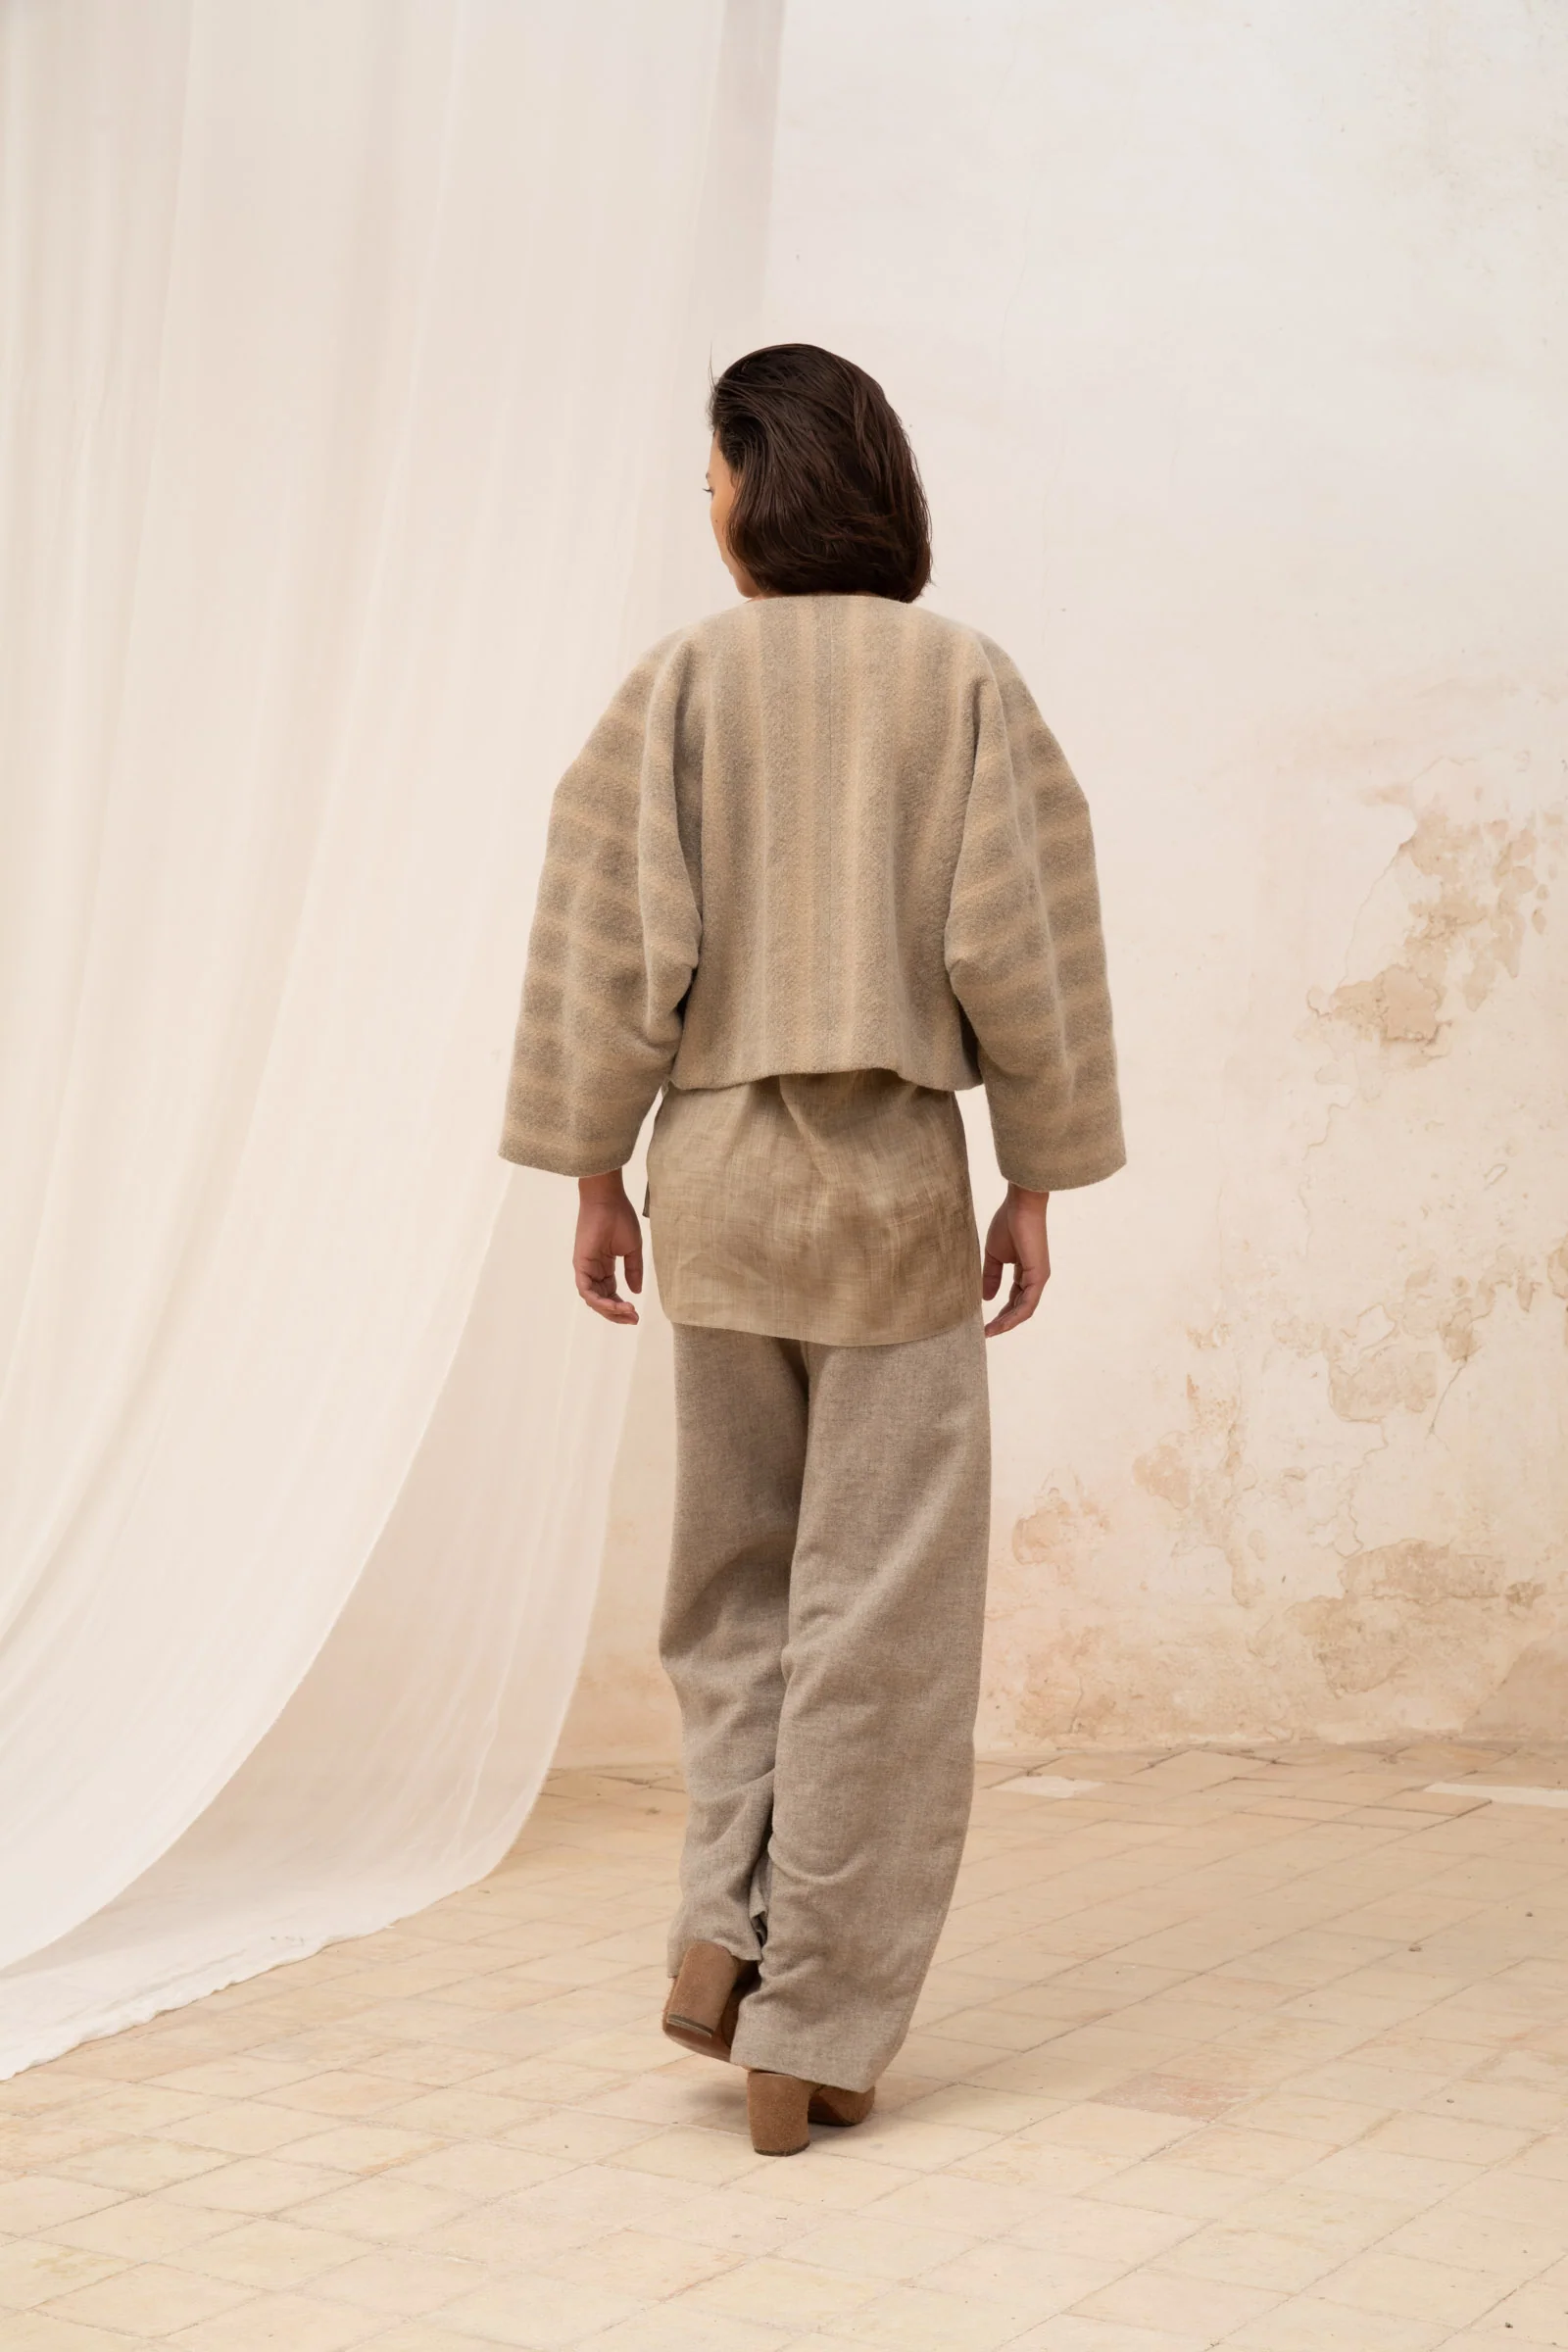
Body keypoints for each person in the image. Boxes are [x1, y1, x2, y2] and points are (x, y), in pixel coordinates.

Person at [500, 343, 1123, 2156]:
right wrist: (1037, 1175)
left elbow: (606, 937)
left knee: (735, 1593)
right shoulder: (963, 680)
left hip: (714, 1185)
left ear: (760, 488)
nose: (705, 505)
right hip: (888, 1196)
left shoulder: (682, 681)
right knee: (884, 1620)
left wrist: (595, 1169)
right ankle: (816, 2023)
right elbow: (1025, 942)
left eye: (711, 475)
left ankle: (723, 1926)